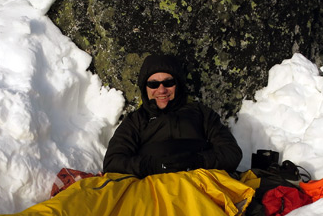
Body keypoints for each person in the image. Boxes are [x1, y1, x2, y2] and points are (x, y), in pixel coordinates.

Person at [103, 53, 242, 177]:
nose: (161, 90)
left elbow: (231, 152)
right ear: (145, 88)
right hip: (152, 188)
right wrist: (154, 166)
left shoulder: (201, 114)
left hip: (199, 184)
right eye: (153, 84)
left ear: (178, 85)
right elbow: (113, 162)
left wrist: (196, 161)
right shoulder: (136, 120)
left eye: (168, 83)